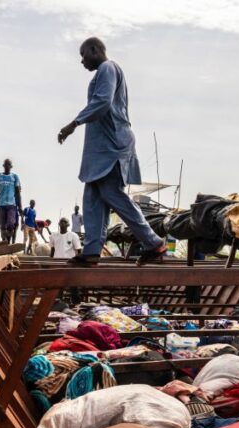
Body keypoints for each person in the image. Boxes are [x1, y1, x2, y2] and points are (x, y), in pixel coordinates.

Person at [57, 37, 166, 267]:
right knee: (93, 196)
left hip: (111, 146)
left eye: (83, 54)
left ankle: (153, 242)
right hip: (101, 149)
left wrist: (74, 124)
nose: (82, 61)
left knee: (111, 192)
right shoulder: (105, 71)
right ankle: (92, 250)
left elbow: (103, 101)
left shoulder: (108, 67)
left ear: (95, 50)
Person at [0, 158, 21, 244]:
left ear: (11, 166)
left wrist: (20, 207)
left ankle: (8, 241)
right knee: (2, 227)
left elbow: (18, 193)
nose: (7, 166)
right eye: (5, 164)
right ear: (3, 166)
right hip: (1, 205)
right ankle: (4, 243)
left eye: (8, 164)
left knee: (11, 224)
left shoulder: (14, 177)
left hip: (11, 205)